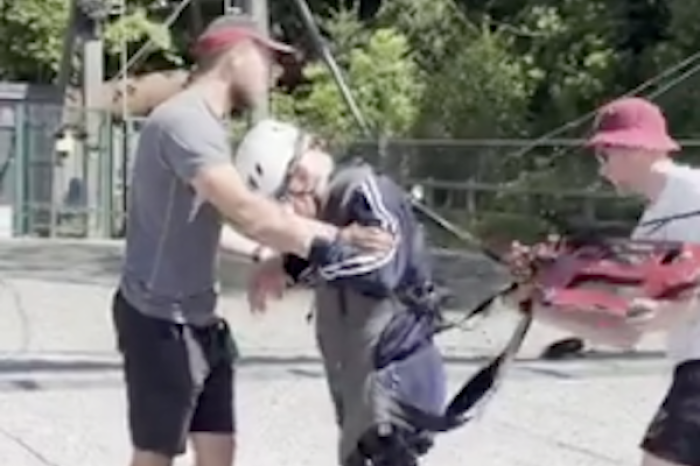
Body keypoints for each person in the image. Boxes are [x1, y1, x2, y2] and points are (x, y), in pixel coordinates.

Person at [112, 14, 392, 466]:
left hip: (199, 319)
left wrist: (267, 255)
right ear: (237, 54)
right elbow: (246, 211)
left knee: (220, 450)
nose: (274, 72)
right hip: (161, 321)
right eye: (267, 60)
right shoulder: (186, 124)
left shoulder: (202, 124)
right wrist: (335, 238)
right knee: (155, 453)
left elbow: (202, 222)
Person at [238, 119, 448, 466]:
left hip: (395, 385)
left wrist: (316, 245)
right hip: (366, 394)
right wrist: (286, 264)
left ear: (300, 179)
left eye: (282, 206)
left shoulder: (366, 192)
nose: (287, 220)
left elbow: (382, 269)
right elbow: (331, 261)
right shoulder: (334, 208)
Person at [507, 96, 700, 466]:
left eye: (604, 156)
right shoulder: (652, 221)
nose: (601, 170)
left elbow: (668, 309)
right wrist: (539, 302)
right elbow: (624, 332)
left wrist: (673, 310)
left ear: (632, 148)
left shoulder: (693, 193)